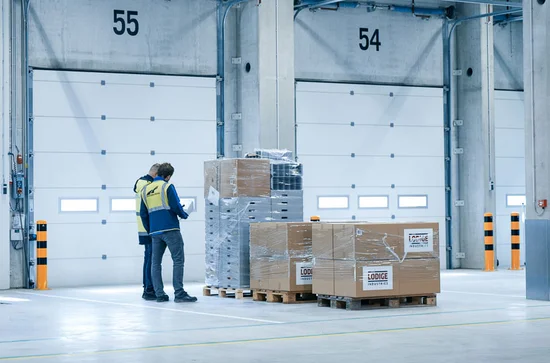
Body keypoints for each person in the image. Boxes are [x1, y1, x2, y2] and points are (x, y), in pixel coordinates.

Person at [140, 162, 197, 303]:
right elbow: (176, 206)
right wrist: (184, 214)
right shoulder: (167, 186)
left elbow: (143, 214)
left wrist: (150, 230)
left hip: (154, 232)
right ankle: (179, 293)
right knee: (178, 260)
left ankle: (160, 294)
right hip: (170, 229)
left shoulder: (145, 190)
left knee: (155, 263)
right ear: (168, 176)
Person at [133, 163, 160, 301]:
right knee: (151, 259)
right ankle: (149, 289)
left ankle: (148, 287)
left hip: (143, 227)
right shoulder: (148, 185)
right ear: (155, 174)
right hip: (149, 227)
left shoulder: (141, 183)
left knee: (148, 258)